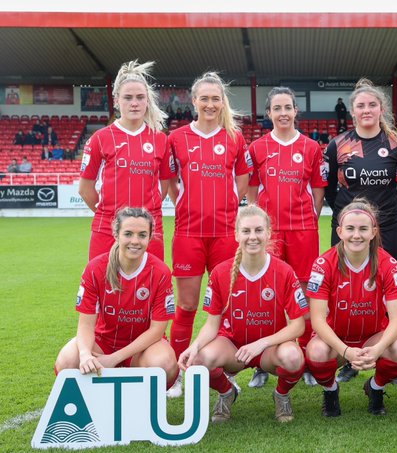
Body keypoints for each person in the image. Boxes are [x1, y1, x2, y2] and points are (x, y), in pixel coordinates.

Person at [177, 205, 307, 423]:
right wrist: (194, 346)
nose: (252, 237)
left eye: (258, 230)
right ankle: (227, 392)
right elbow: (211, 324)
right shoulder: (220, 272)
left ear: (268, 233)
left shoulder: (283, 270)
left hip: (269, 349)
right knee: (198, 360)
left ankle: (282, 395)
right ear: (236, 234)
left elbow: (298, 326)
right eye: (246, 231)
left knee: (293, 358)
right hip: (233, 348)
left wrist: (261, 344)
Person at [167, 72, 252, 397]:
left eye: (216, 98)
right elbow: (171, 185)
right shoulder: (177, 138)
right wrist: (188, 205)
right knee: (187, 306)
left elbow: (241, 181)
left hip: (224, 234)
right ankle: (175, 374)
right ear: (194, 101)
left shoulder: (234, 138)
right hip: (188, 232)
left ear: (222, 102)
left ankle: (220, 372)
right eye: (205, 98)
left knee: (225, 307)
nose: (210, 104)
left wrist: (227, 205)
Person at [324, 78, 397, 384]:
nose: (367, 109)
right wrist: (348, 219)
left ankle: (382, 353)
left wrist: (391, 215)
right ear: (353, 111)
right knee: (343, 290)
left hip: (386, 228)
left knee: (384, 293)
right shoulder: (338, 145)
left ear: (381, 108)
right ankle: (346, 355)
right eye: (361, 105)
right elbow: (330, 188)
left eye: (372, 104)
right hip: (347, 231)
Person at [246, 86, 326, 388]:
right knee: (267, 292)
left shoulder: (311, 147)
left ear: (295, 111)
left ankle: (303, 354)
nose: (282, 113)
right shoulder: (258, 148)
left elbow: (318, 189)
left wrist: (309, 217)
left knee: (303, 292)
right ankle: (263, 360)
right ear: (269, 113)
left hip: (303, 228)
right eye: (277, 108)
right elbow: (252, 190)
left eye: (287, 108)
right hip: (271, 232)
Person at [305, 199, 397, 417]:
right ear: (339, 231)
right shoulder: (323, 264)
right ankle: (330, 391)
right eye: (350, 229)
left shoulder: (388, 264)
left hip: (372, 337)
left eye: (363, 229)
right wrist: (346, 351)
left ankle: (375, 388)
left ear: (373, 232)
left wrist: (378, 349)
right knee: (315, 351)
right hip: (336, 339)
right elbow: (317, 320)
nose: (356, 235)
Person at [54, 207, 178, 389]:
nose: (135, 241)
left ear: (150, 238)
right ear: (116, 234)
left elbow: (157, 331)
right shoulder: (95, 268)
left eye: (142, 235)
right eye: (128, 234)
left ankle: (143, 402)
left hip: (143, 348)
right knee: (67, 361)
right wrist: (85, 354)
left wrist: (114, 359)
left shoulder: (160, 272)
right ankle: (89, 403)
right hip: (103, 343)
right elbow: (86, 324)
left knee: (164, 364)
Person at [79, 60, 171, 261]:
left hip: (150, 228)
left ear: (147, 100)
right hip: (108, 229)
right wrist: (110, 214)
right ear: (116, 101)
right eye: (128, 97)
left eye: (140, 97)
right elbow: (85, 189)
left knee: (150, 287)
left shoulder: (160, 139)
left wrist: (142, 216)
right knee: (104, 287)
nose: (134, 103)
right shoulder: (100, 138)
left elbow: (163, 187)